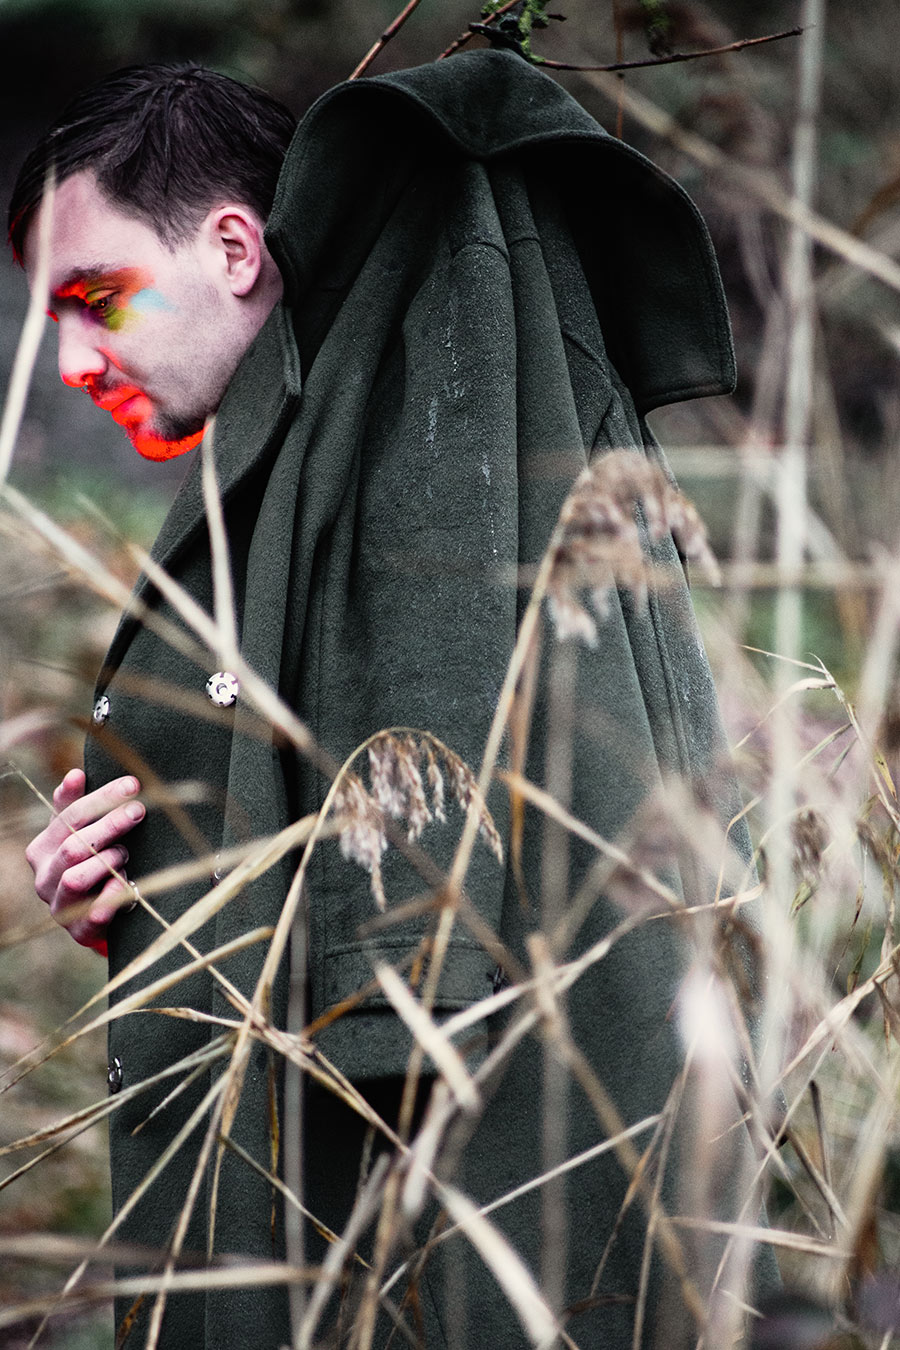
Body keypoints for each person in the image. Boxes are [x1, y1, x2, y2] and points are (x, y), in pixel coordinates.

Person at [11, 49, 761, 1349]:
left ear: (237, 247)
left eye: (94, 296)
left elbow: (419, 913)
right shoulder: (302, 444)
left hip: (423, 1214)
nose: (72, 359)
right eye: (50, 317)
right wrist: (145, 901)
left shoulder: (421, 371)